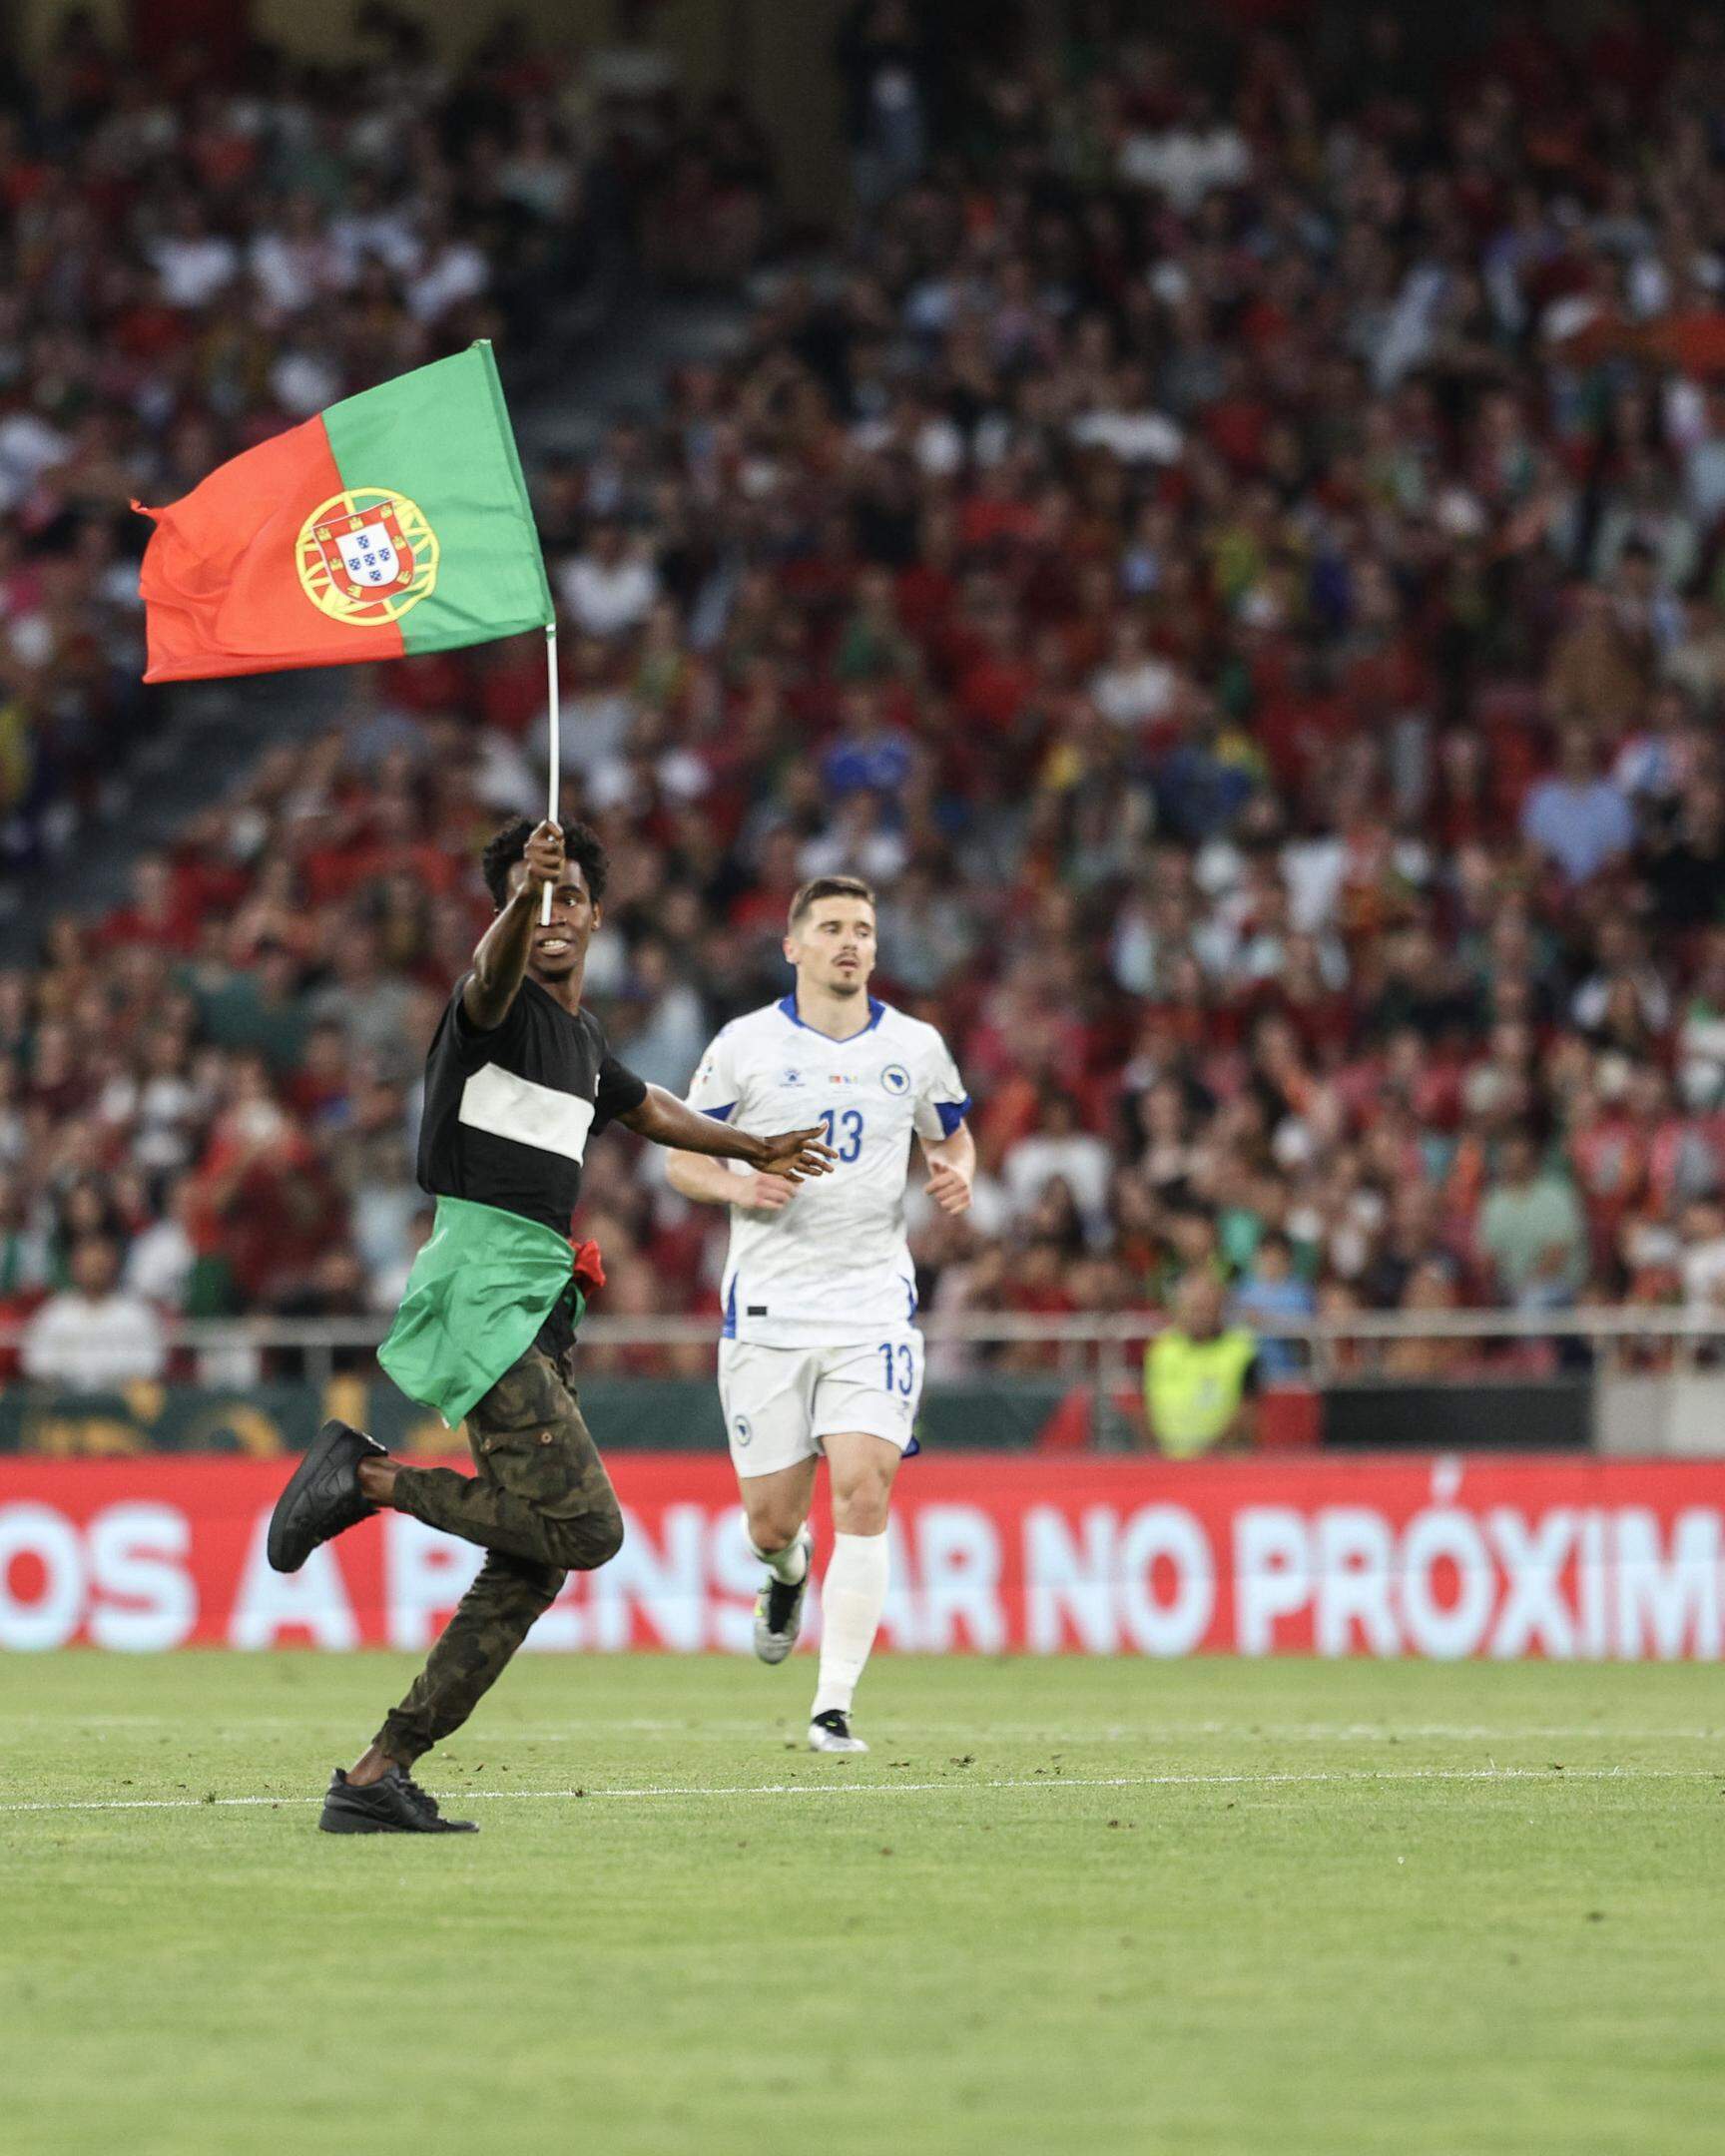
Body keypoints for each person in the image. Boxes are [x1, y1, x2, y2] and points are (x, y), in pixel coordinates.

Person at [265, 817, 833, 1835]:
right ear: (513, 912)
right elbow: (486, 973)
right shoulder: (497, 1004)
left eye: (572, 896)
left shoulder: (580, 1040)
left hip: (535, 1295)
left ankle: (375, 1773)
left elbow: (649, 1106)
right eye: (537, 898)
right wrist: (521, 895)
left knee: (529, 1568)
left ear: (599, 915)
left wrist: (750, 1144)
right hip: (485, 1285)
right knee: (591, 1530)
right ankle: (364, 1476)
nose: (555, 913)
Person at [665, 873, 974, 1755]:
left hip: (872, 1307)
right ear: (793, 946)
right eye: (832, 927)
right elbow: (680, 1161)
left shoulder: (915, 1047)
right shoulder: (744, 1046)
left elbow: (951, 1134)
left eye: (864, 930)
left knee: (866, 1492)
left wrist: (961, 1173)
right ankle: (787, 1571)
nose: (851, 942)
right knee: (771, 1522)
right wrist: (736, 1182)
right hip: (767, 1312)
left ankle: (832, 1706)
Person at [1142, 1272, 1260, 1457]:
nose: (1200, 1316)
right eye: (1194, 1308)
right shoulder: (1160, 1348)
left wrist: (1205, 1455)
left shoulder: (1241, 1350)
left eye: (1206, 1308)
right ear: (1179, 1309)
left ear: (1220, 1308)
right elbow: (1143, 1407)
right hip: (1166, 1465)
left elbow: (1248, 1412)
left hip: (1223, 1465)